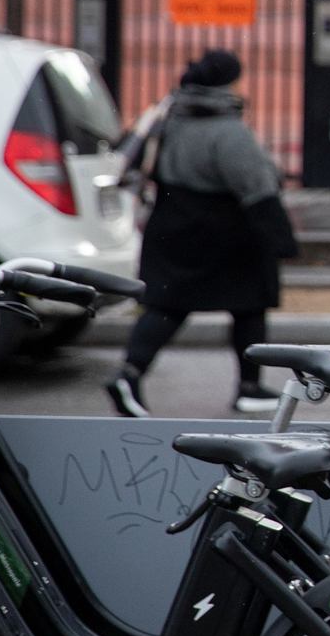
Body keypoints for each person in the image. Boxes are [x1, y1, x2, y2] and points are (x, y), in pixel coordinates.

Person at [104, 49, 299, 418]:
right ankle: (249, 386)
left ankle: (129, 373)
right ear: (227, 85)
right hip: (225, 235)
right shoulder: (227, 131)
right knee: (250, 303)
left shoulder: (169, 119)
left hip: (170, 227)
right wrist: (282, 238)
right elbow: (256, 187)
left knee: (166, 305)